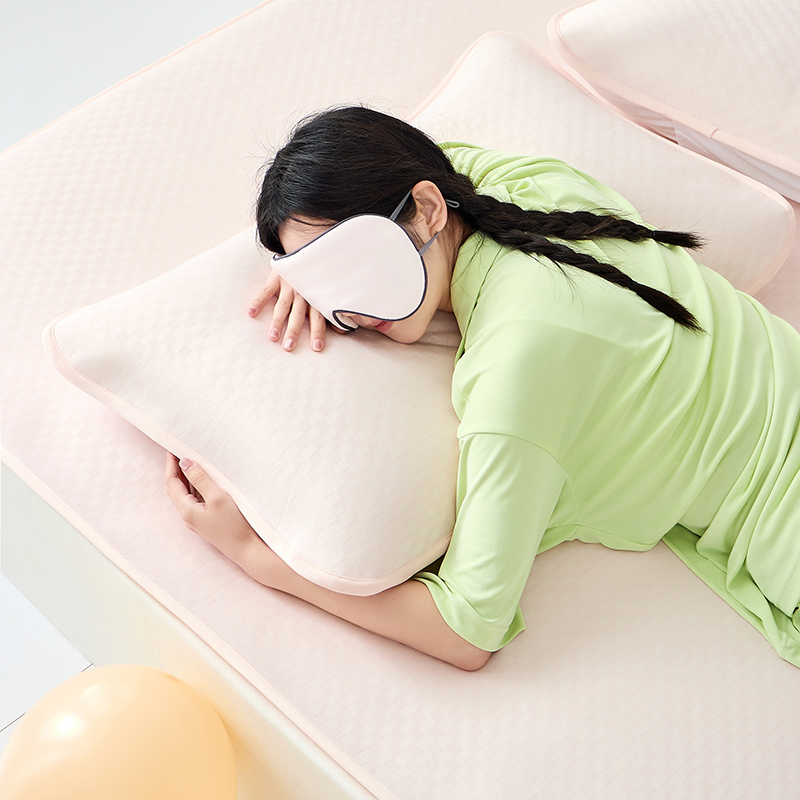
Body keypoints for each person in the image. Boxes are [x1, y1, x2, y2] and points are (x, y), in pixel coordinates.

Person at [165, 106, 800, 671]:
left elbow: (468, 629)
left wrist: (254, 554)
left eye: (348, 263)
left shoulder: (516, 370)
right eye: (318, 283)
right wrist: (311, 264)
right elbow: (429, 165)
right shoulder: (535, 188)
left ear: (429, 209)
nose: (346, 310)